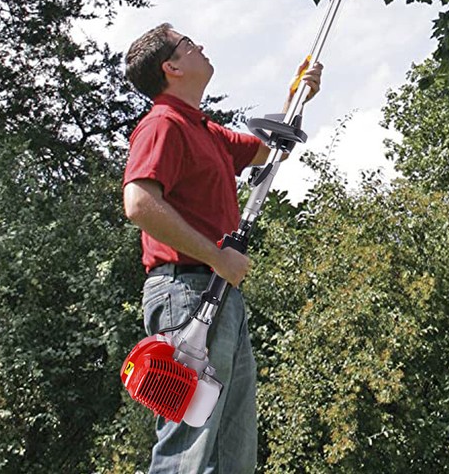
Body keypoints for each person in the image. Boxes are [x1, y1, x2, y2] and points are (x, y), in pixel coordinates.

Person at [122, 23, 322, 474]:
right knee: (189, 447)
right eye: (188, 44)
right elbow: (138, 203)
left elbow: (272, 152)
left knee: (233, 448)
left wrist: (299, 101)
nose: (201, 46)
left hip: (218, 292)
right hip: (187, 292)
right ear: (171, 66)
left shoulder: (204, 130)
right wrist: (216, 255)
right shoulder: (162, 125)